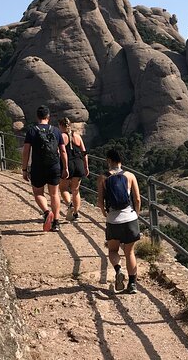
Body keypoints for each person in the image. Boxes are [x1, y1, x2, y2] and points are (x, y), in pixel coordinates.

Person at [97, 149, 141, 294]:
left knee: (113, 250)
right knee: (130, 253)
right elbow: (137, 199)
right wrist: (136, 214)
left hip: (113, 220)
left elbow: (100, 203)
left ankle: (118, 270)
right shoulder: (130, 175)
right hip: (130, 218)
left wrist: (106, 215)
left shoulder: (103, 177)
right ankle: (132, 284)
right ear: (121, 161)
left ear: (109, 160)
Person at [21, 105, 69, 232]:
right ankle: (57, 222)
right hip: (54, 166)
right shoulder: (56, 131)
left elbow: (26, 151)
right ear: (48, 117)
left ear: (37, 117)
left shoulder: (32, 130)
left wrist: (24, 169)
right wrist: (65, 168)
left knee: (38, 193)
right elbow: (63, 151)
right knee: (54, 194)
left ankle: (47, 212)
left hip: (38, 167)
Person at [58, 118, 90, 221]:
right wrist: (86, 166)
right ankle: (76, 214)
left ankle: (69, 204)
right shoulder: (77, 136)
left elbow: (59, 152)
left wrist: (63, 167)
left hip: (67, 164)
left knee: (63, 188)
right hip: (79, 164)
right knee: (76, 190)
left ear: (61, 126)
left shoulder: (61, 136)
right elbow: (84, 153)